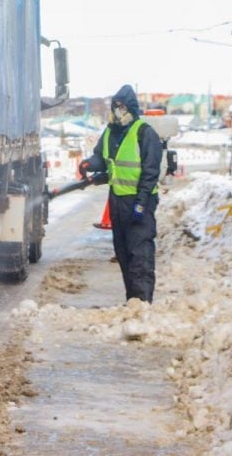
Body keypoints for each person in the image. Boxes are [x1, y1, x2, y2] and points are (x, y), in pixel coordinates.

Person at [79, 85, 162, 303]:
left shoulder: (144, 133)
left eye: (121, 107)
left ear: (131, 109)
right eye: (115, 107)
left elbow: (151, 172)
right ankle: (132, 301)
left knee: (140, 255)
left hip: (138, 203)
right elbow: (101, 158)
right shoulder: (109, 133)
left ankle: (142, 303)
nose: (117, 111)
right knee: (124, 254)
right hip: (117, 202)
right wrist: (89, 164)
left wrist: (142, 203)